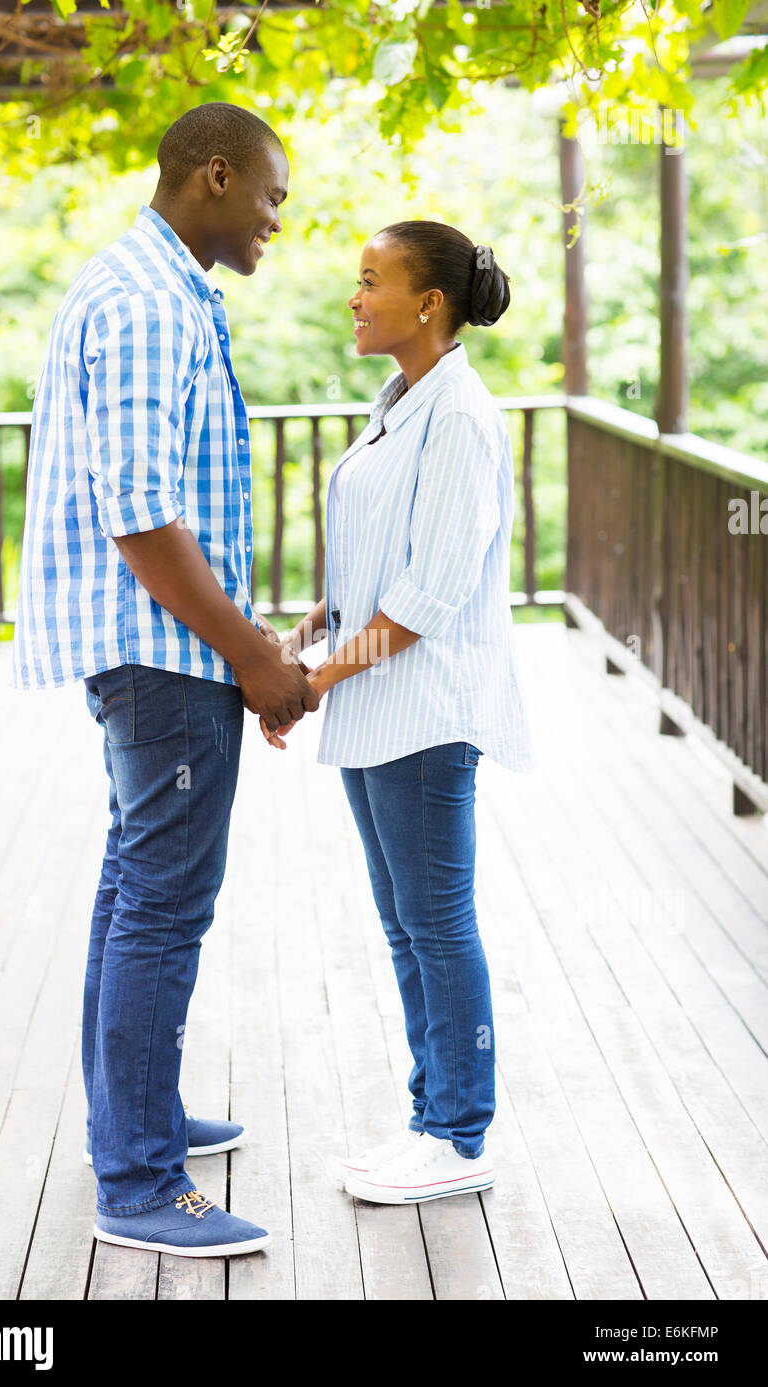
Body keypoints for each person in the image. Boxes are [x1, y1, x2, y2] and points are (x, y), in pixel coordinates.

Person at [12, 103, 318, 1258]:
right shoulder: (145, 302)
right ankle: (137, 1180)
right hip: (165, 657)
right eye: (273, 197)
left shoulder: (159, 286)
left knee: (131, 888)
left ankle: (131, 1114)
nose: (279, 221)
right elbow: (139, 513)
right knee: (161, 904)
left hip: (159, 655)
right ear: (215, 173)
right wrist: (251, 654)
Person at [263, 220, 533, 1204]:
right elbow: (370, 573)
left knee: (435, 922)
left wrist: (314, 682)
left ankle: (459, 1135)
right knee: (404, 923)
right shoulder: (402, 402)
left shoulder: (458, 414)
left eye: (371, 281)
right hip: (378, 710)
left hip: (423, 713)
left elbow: (425, 595)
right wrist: (295, 643)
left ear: (430, 304)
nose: (354, 296)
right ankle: (431, 1118)